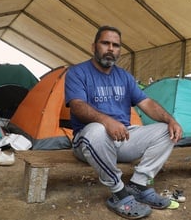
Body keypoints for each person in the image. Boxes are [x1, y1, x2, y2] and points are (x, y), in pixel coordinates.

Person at [64, 26, 183, 219]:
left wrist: (171, 120)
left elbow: (147, 103)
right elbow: (77, 105)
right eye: (105, 43)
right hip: (89, 141)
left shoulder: (124, 77)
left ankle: (138, 186)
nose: (111, 48)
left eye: (116, 45)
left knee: (166, 131)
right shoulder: (78, 73)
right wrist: (106, 121)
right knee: (96, 130)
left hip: (123, 136)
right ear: (93, 46)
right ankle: (119, 193)